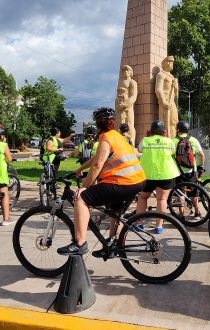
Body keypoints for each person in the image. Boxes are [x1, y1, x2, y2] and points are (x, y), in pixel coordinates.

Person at [57, 107, 146, 255]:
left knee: (81, 199)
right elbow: (97, 158)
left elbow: (98, 165)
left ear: (98, 125)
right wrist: (80, 169)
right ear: (113, 123)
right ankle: (112, 245)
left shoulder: (105, 137)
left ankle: (80, 243)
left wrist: (84, 187)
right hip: (137, 181)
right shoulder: (117, 136)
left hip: (122, 183)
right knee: (115, 212)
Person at [136, 120, 181, 233]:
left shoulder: (145, 140)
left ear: (151, 130)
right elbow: (173, 152)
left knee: (142, 197)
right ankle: (159, 227)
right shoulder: (169, 141)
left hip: (147, 174)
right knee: (161, 199)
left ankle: (139, 224)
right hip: (165, 173)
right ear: (164, 131)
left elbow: (139, 150)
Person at [173, 120, 206, 221]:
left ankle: (181, 214)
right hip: (192, 170)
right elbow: (201, 155)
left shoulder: (173, 141)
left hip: (178, 171)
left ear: (178, 129)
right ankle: (197, 212)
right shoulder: (193, 140)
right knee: (193, 193)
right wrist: (200, 167)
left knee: (180, 193)